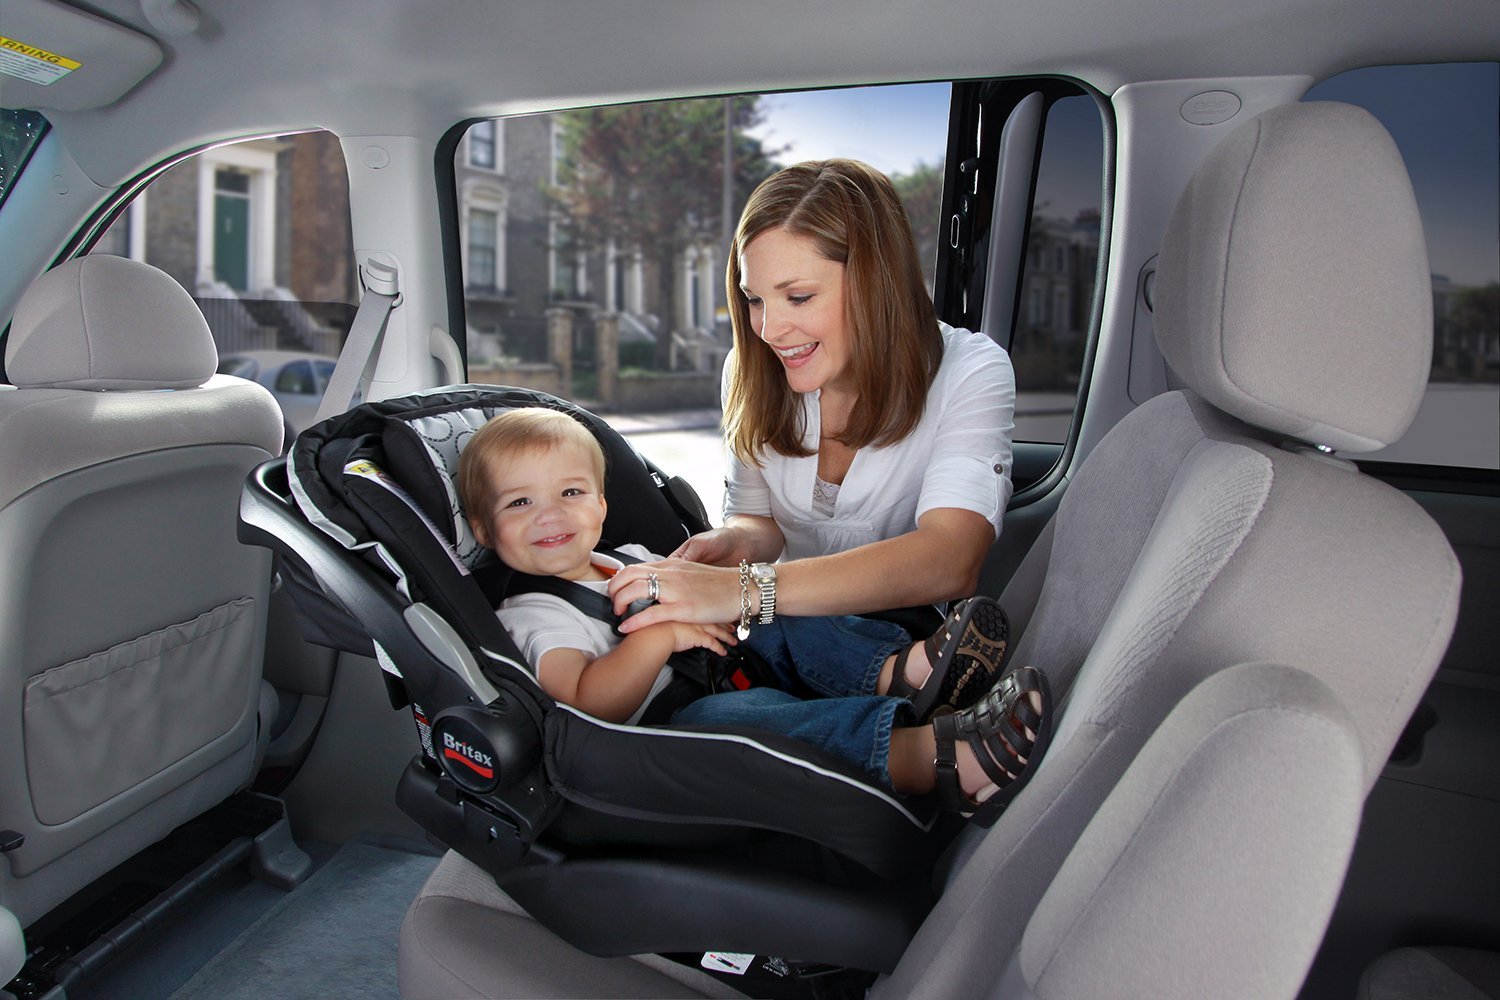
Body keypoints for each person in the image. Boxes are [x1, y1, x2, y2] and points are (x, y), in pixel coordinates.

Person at [456, 407, 1048, 815]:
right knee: (755, 718)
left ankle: (908, 671)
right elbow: (581, 703)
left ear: (602, 504)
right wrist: (659, 640)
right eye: (520, 502)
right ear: (483, 528)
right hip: (664, 738)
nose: (551, 515)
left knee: (775, 606)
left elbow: (718, 600)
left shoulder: (629, 558)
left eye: (570, 493)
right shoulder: (532, 613)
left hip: (718, 662)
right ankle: (938, 763)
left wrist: (722, 594)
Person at [606, 158, 1016, 648]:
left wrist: (743, 591)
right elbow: (759, 522)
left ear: (876, 285)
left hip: (898, 636)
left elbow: (951, 558)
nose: (768, 331)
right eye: (754, 300)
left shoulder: (971, 370)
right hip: (786, 631)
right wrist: (731, 544)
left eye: (797, 297)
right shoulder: (747, 368)